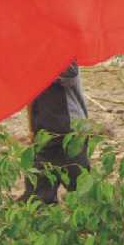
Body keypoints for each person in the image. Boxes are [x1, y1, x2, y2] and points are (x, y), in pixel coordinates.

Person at [22, 61, 91, 204]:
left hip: (71, 134)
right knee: (37, 196)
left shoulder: (62, 47)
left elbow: (70, 74)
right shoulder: (30, 52)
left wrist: (34, 66)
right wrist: (33, 128)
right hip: (43, 135)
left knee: (82, 192)